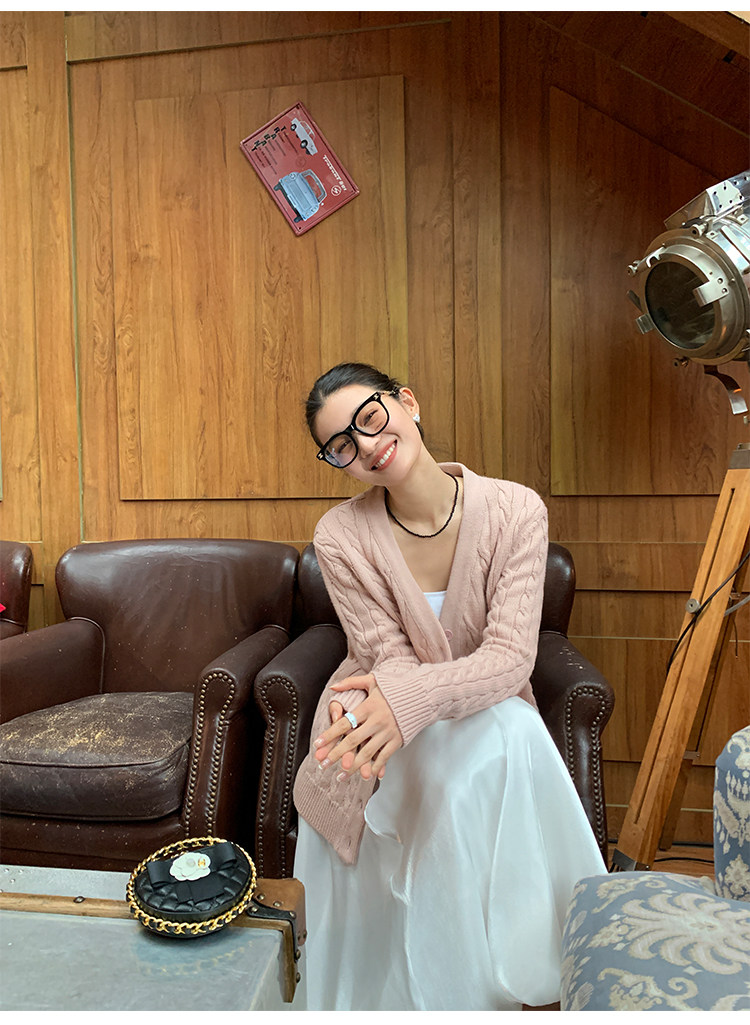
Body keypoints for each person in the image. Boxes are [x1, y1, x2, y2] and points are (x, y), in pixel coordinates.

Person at [292, 363, 606, 1011]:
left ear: (407, 402)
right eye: (342, 445)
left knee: (508, 728)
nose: (366, 445)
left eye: (370, 418)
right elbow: (385, 654)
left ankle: (471, 985)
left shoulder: (516, 509)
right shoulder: (339, 534)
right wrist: (402, 705)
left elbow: (510, 659)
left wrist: (414, 702)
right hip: (376, 704)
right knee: (408, 760)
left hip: (478, 713)